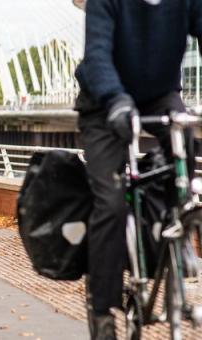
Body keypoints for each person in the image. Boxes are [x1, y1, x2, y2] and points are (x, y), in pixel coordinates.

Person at [74, 1, 202, 339]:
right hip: (104, 103)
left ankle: (176, 225)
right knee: (111, 203)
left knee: (184, 140)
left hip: (159, 95)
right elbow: (97, 54)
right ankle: (101, 310)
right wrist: (115, 100)